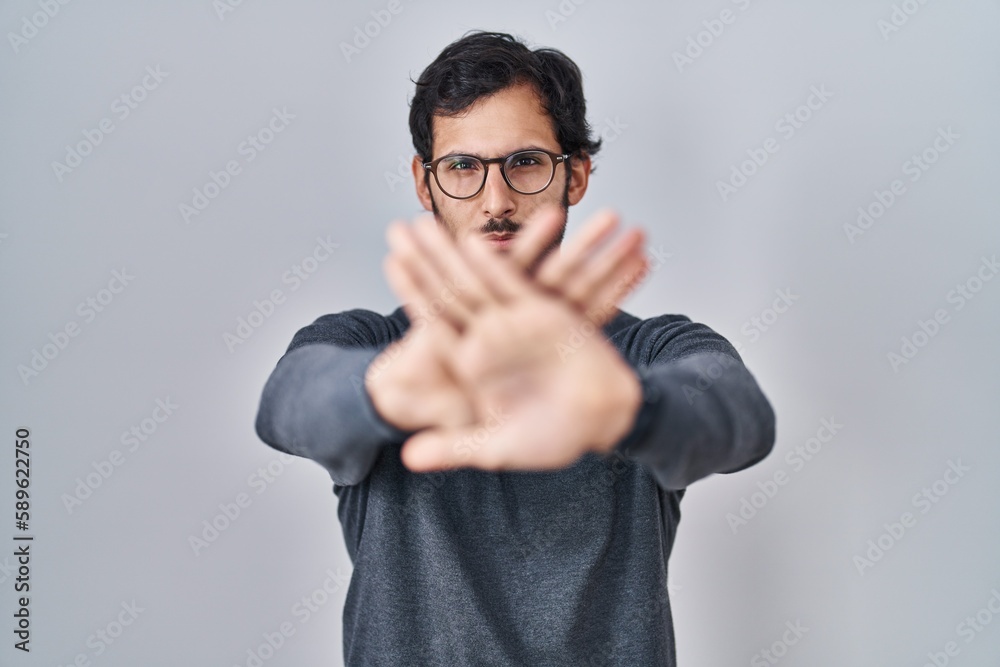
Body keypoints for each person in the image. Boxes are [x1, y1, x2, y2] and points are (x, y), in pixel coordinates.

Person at [254, 30, 776, 666]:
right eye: (464, 167)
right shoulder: (370, 344)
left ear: (576, 173)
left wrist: (626, 409)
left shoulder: (648, 352)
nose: (496, 202)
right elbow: (288, 402)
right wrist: (390, 389)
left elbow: (741, 416)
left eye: (525, 162)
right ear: (426, 184)